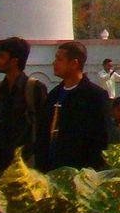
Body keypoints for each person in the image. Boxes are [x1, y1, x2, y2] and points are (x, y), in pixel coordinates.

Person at [36, 40, 111, 171]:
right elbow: (43, 134)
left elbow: (101, 140)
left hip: (80, 174)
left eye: (59, 59)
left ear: (74, 63)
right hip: (50, 172)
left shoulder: (95, 96)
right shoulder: (54, 95)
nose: (54, 63)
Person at [0, 35, 47, 173]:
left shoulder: (34, 88)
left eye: (1, 56)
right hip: (1, 162)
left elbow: (42, 126)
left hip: (26, 164)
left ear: (14, 61)